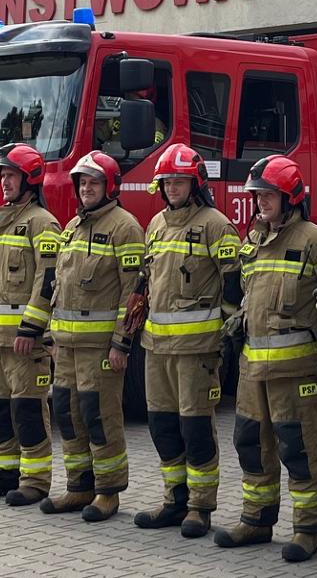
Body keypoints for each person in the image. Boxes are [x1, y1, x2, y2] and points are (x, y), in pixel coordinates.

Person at [213, 154, 317, 563]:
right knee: (250, 443)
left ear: (291, 196)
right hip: (252, 369)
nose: (261, 202)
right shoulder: (254, 240)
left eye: (269, 195)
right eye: (258, 195)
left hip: (295, 369)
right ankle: (257, 518)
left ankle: (308, 528)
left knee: (299, 448)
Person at [17, 150, 145, 521]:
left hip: (100, 348)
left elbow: (133, 292)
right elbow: (57, 286)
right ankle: (79, 487)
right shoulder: (72, 227)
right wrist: (51, 336)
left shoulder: (126, 227)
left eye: (93, 182)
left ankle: (108, 492)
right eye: (82, 183)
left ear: (110, 186)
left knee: (100, 416)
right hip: (67, 347)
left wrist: (122, 342)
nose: (86, 189)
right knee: (68, 415)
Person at [132, 144, 242, 538]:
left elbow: (234, 288)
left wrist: (225, 342)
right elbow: (147, 280)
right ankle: (174, 499)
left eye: (178, 181)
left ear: (195, 183)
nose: (172, 188)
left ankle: (200, 506)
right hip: (156, 350)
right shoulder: (156, 225)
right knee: (163, 428)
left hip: (196, 352)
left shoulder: (216, 225)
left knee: (195, 429)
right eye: (166, 182)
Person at [0, 143, 63, 505]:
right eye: (2, 175)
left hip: (24, 342)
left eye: (10, 175)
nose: (4, 182)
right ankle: (5, 474)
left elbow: (48, 280)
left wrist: (31, 328)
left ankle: (35, 481)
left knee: (27, 411)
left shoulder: (43, 223)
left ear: (30, 178)